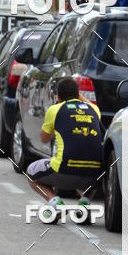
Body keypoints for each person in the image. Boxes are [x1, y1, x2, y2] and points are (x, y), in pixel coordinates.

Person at [25, 77, 103, 223]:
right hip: (94, 175)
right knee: (89, 164)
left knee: (30, 172)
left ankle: (54, 202)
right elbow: (85, 103)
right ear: (78, 94)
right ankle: (84, 203)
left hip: (64, 170)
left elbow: (44, 138)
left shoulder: (55, 110)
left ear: (58, 96)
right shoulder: (94, 109)